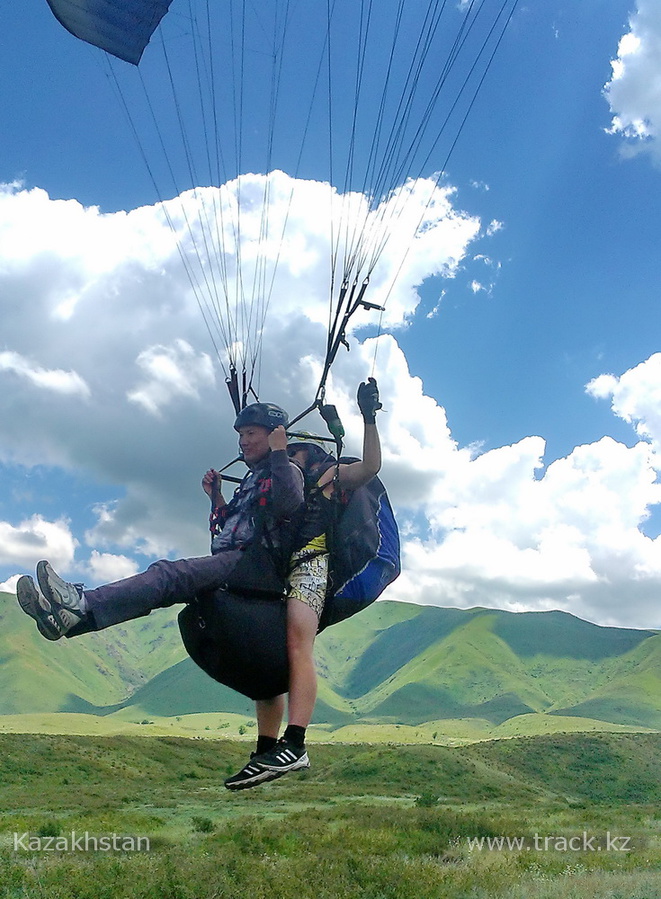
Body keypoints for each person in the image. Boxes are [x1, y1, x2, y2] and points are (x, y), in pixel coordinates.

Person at [16, 402, 304, 641]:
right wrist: (216, 497)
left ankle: (80, 602)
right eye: (241, 435)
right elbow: (225, 536)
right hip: (237, 561)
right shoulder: (252, 480)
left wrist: (280, 451)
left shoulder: (287, 470)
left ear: (275, 435)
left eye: (251, 433)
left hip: (256, 565)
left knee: (168, 574)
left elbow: (288, 502)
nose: (243, 442)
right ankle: (68, 619)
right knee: (166, 586)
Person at [223, 377, 383, 790]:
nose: (287, 461)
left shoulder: (325, 474)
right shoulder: (270, 478)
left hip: (311, 565)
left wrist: (369, 418)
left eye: (293, 454)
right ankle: (264, 747)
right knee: (267, 656)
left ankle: (295, 742)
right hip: (273, 570)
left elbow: (369, 469)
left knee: (297, 644)